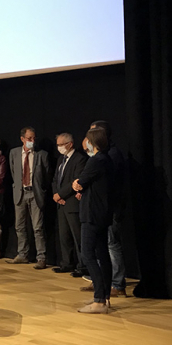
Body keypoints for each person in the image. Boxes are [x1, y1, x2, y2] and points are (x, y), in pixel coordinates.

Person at [73, 127, 114, 313]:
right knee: (102, 254)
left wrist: (79, 185)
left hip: (92, 215)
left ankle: (99, 300)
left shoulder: (95, 161)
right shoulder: (107, 159)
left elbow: (80, 182)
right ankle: (104, 296)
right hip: (102, 212)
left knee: (88, 254)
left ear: (93, 142)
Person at [88, 120, 127, 297]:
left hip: (111, 208)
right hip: (101, 208)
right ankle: (101, 281)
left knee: (112, 244)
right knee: (101, 246)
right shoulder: (102, 155)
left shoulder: (111, 155)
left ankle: (117, 284)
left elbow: (112, 185)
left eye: (92, 133)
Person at [8, 127, 51, 269]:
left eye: (34, 138)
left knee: (37, 227)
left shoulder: (41, 154)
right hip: (20, 193)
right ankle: (22, 254)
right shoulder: (14, 153)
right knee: (19, 226)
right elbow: (14, 172)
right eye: (29, 138)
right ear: (22, 139)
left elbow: (46, 176)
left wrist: (40, 190)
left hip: (35, 193)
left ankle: (41, 257)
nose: (32, 141)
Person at [52, 132, 88, 275]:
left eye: (61, 145)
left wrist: (61, 194)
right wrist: (56, 194)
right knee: (64, 236)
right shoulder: (61, 159)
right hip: (60, 203)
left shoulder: (79, 159)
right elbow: (55, 179)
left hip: (72, 202)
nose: (59, 147)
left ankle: (82, 266)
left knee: (77, 236)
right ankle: (67, 263)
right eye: (58, 145)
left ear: (70, 144)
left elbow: (76, 180)